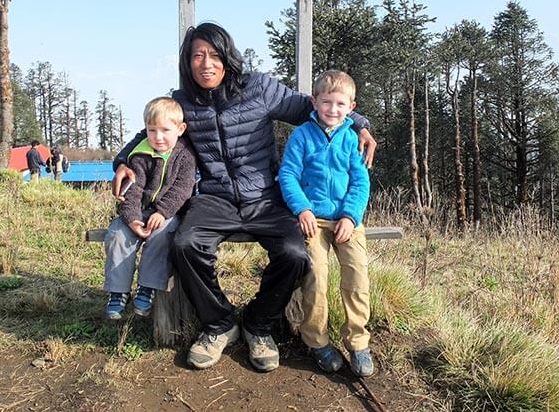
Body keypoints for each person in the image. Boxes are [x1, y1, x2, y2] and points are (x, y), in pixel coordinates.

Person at [112, 22, 376, 372]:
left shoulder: (259, 87)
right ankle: (220, 323)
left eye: (214, 55)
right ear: (187, 63)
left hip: (265, 196)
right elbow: (149, 131)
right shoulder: (183, 102)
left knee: (296, 253)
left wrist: (360, 123)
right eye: (197, 56)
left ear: (228, 57)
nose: (206, 63)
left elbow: (311, 106)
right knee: (185, 244)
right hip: (215, 197)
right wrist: (121, 162)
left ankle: (258, 324)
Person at [278, 70, 374, 377]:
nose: (333, 109)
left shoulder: (352, 138)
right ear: (314, 102)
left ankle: (358, 342)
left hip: (346, 220)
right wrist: (302, 209)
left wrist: (350, 216)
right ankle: (317, 341)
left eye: (340, 104)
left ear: (351, 107)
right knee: (316, 274)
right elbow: (288, 175)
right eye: (326, 102)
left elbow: (360, 182)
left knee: (357, 275)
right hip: (313, 221)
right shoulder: (302, 135)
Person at [104, 97, 196, 320]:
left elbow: (182, 190)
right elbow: (132, 190)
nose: (158, 137)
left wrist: (162, 212)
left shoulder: (185, 156)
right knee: (117, 235)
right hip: (138, 211)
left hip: (166, 213)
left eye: (165, 130)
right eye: (152, 130)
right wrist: (133, 218)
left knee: (162, 235)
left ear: (180, 129)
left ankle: (147, 287)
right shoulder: (140, 153)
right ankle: (117, 292)